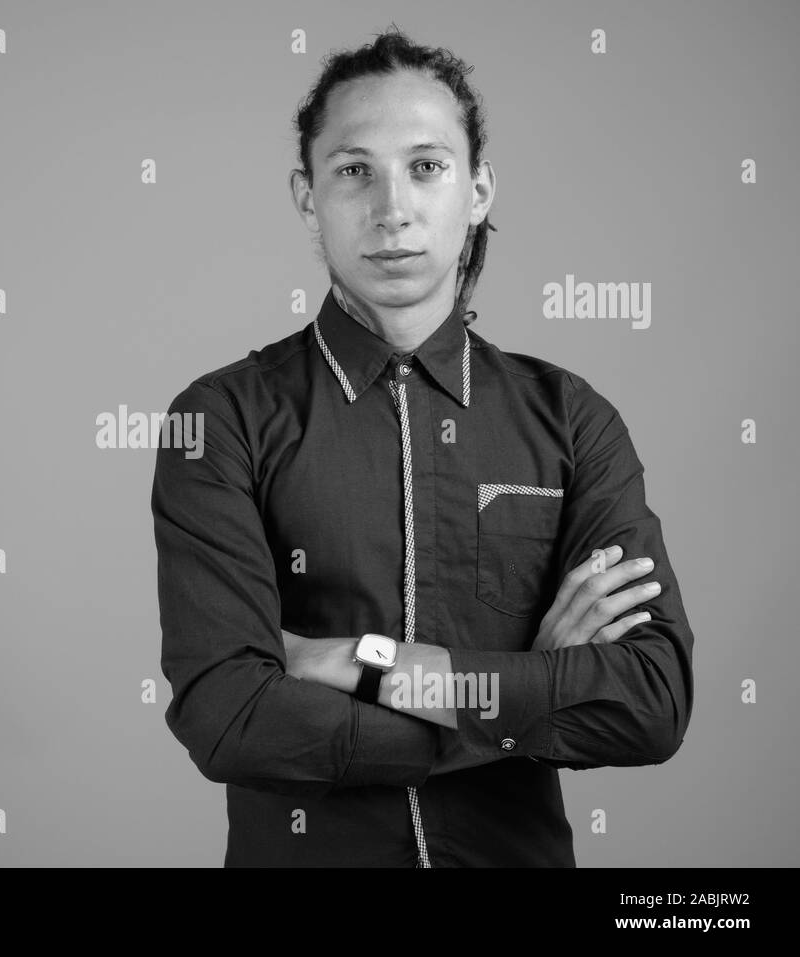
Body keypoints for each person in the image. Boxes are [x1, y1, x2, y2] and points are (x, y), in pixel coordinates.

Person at [150, 28, 694, 867]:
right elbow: (230, 718)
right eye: (354, 169)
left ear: (477, 190)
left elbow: (652, 703)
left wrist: (362, 663)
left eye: (427, 166)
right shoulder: (219, 421)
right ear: (307, 195)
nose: (391, 208)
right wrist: (517, 698)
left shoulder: (575, 420)